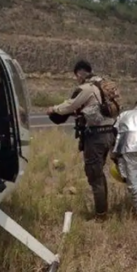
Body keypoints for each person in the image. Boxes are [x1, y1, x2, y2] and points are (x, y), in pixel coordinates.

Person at [47, 60, 117, 221]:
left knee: (94, 175)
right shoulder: (102, 86)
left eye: (76, 76)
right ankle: (103, 210)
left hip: (96, 137)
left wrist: (53, 109)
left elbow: (70, 106)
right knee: (99, 174)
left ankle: (101, 216)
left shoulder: (87, 88)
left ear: (79, 73)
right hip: (109, 134)